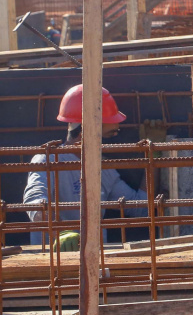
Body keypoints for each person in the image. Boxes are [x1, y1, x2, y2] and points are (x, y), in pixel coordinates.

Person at [24, 84, 148, 248]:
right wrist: (61, 232)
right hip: (54, 261)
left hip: (96, 262)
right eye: (108, 135)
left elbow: (140, 207)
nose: (111, 143)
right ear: (86, 133)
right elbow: (34, 203)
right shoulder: (47, 161)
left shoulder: (104, 169)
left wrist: (153, 155)